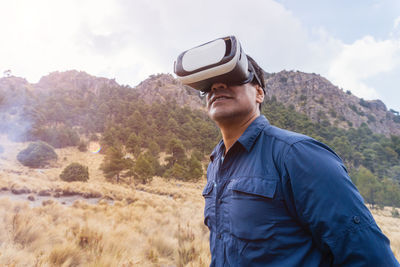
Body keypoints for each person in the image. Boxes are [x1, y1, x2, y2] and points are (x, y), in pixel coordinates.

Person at [174, 36, 399, 266]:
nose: (217, 86)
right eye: (209, 83)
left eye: (233, 76)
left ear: (259, 93)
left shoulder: (298, 155)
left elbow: (373, 259)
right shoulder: (215, 164)